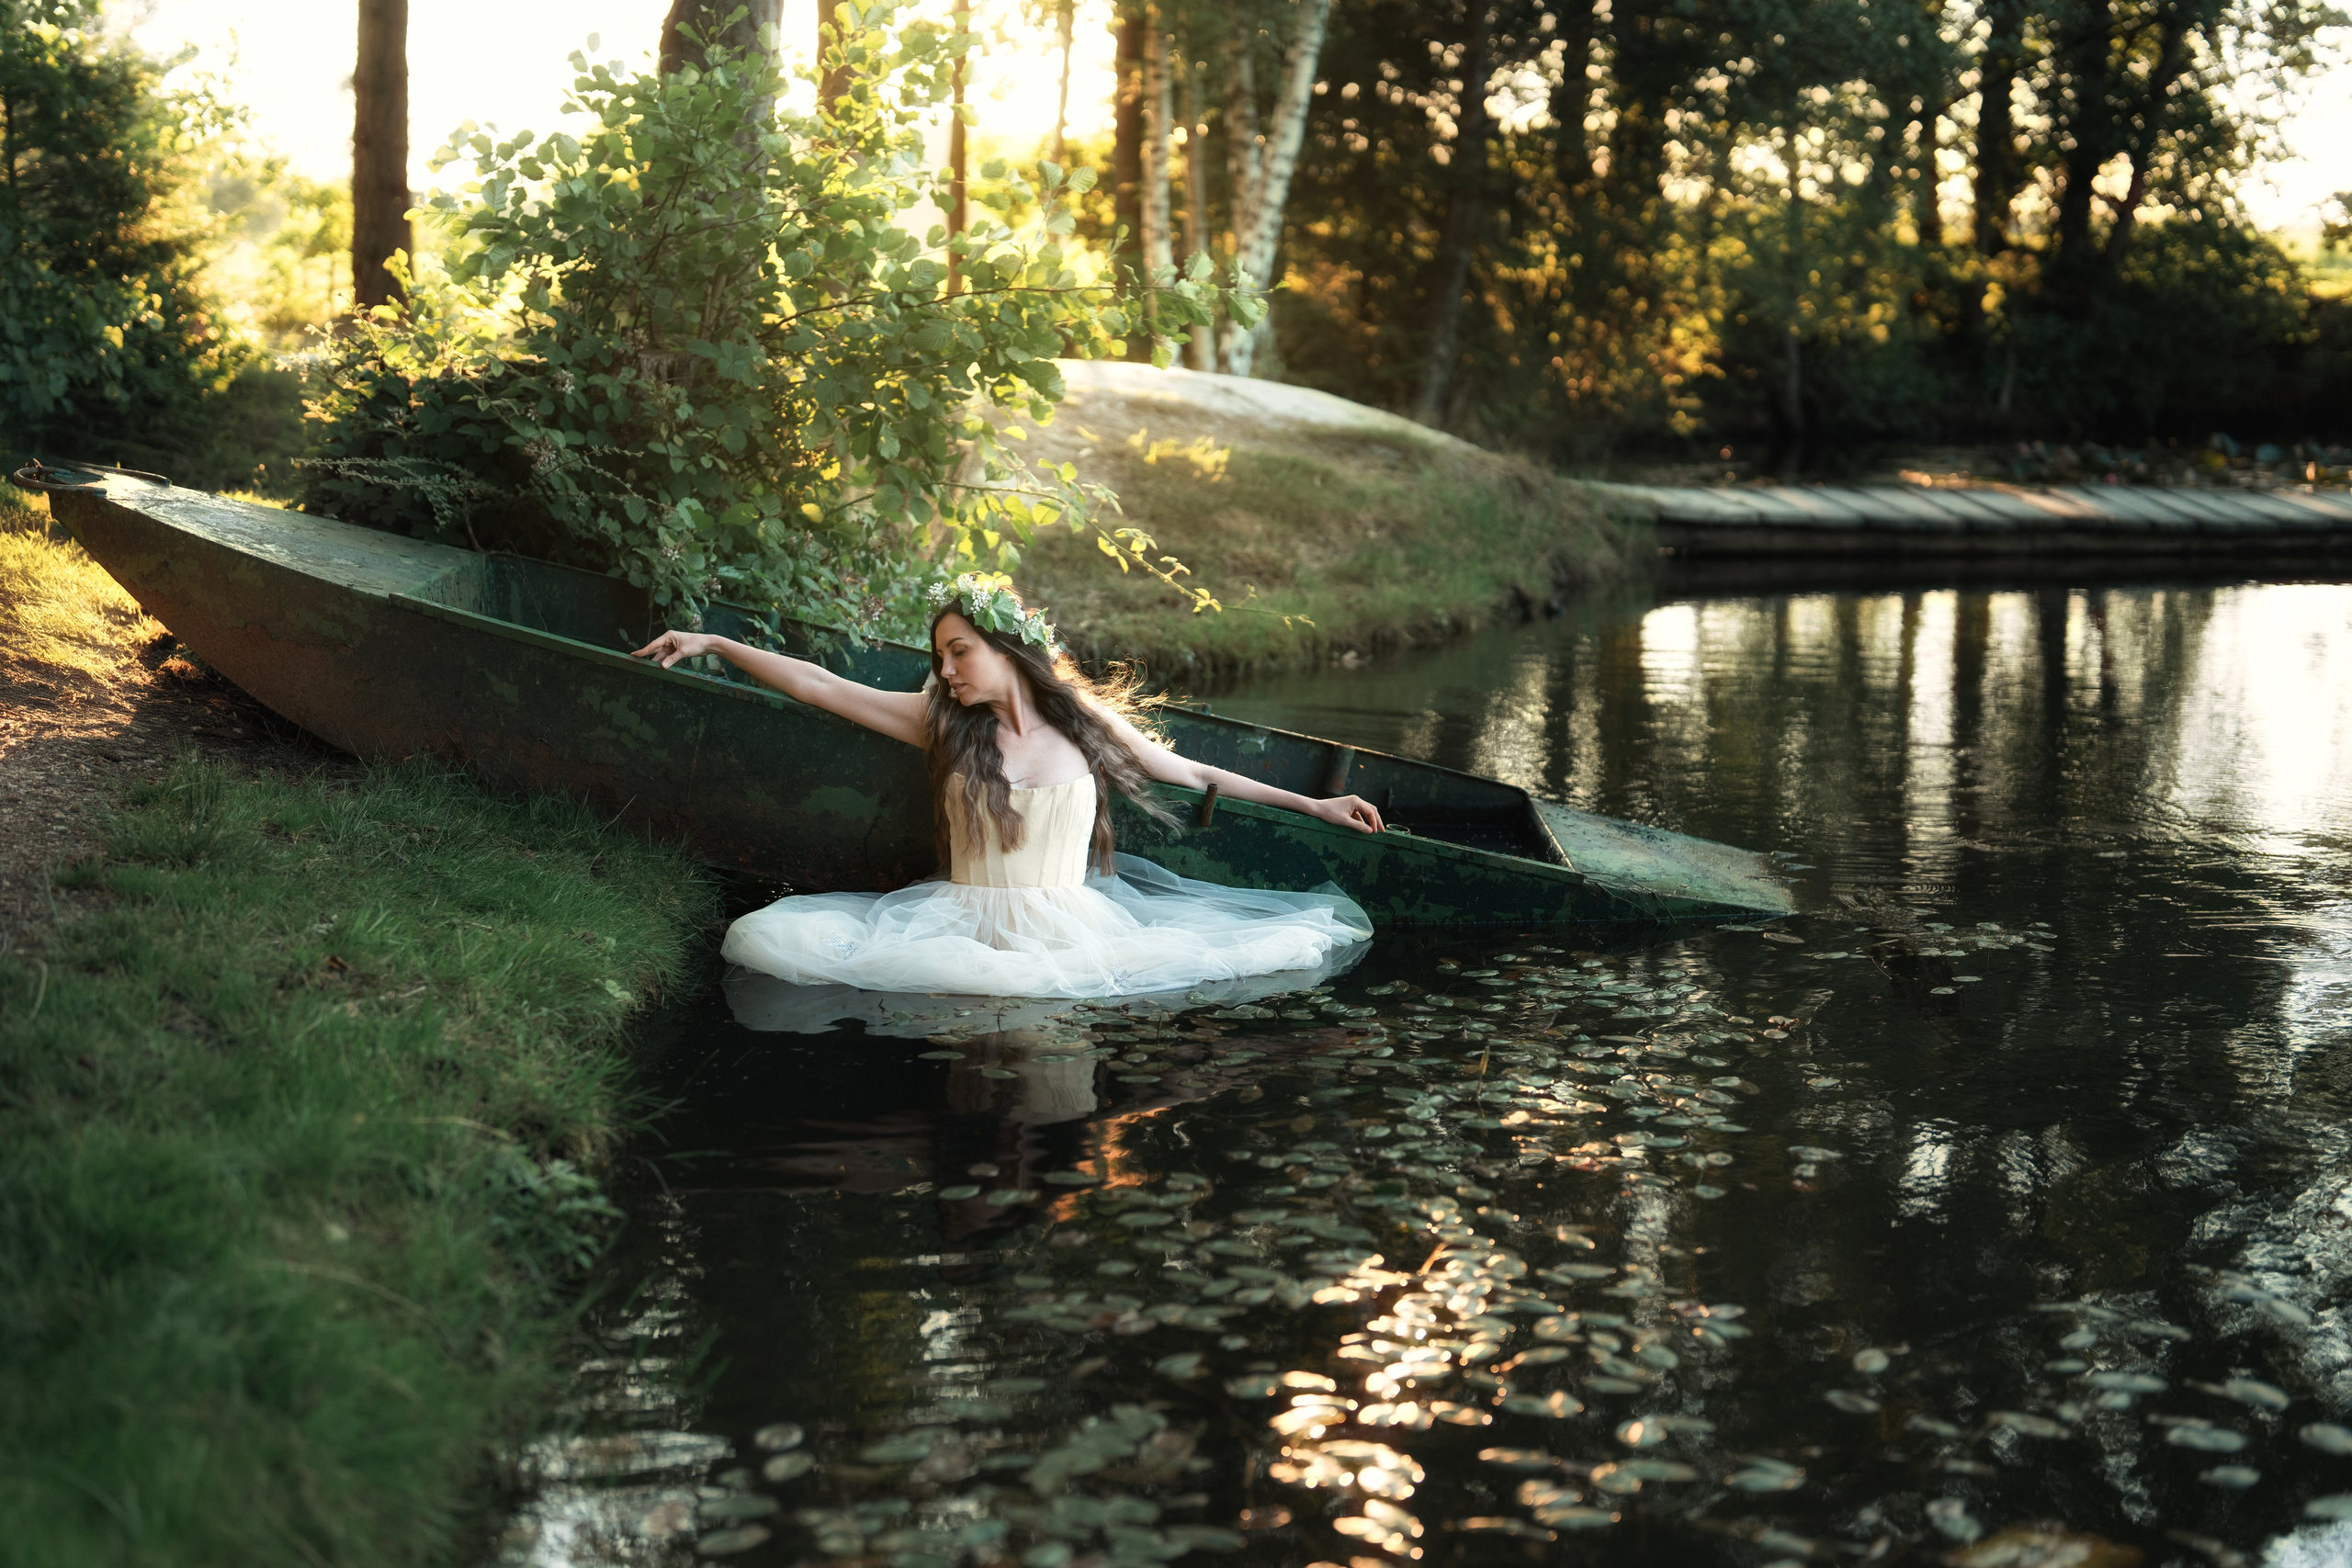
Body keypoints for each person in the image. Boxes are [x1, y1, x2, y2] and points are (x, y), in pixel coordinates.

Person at [631, 572, 1378, 998]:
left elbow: (1195, 772)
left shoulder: (1086, 724)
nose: (946, 670)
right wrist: (715, 642)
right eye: (941, 656)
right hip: (954, 927)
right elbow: (822, 685)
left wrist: (1313, 801)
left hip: (1072, 932)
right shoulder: (943, 723)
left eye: (959, 652)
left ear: (1007, 647)